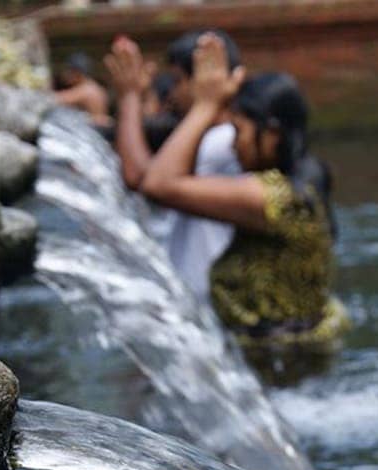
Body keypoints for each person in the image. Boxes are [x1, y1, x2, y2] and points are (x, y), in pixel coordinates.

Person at [140, 34, 346, 347]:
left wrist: (206, 105)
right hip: (280, 357)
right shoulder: (297, 182)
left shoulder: (271, 198)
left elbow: (157, 184)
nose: (233, 144)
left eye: (239, 131)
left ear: (272, 135)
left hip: (278, 363)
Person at [105, 32, 241, 301]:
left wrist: (129, 96)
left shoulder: (223, 142)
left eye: (179, 81)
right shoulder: (205, 137)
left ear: (203, 81)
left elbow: (141, 178)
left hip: (209, 303)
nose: (173, 93)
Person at [54, 52, 111, 126]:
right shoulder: (93, 86)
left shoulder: (87, 89)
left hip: (94, 131)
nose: (65, 74)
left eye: (68, 71)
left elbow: (55, 99)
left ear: (77, 73)